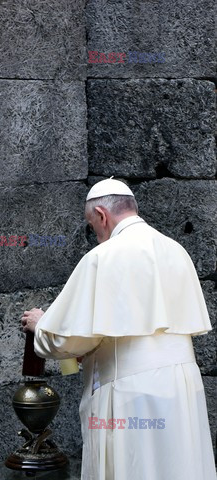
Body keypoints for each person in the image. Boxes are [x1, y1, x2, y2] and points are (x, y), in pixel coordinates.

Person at [21, 178, 216, 480]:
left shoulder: (103, 257)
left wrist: (41, 324)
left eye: (92, 225)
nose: (97, 235)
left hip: (130, 392)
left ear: (101, 215)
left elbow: (66, 340)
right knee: (180, 465)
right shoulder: (175, 250)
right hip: (182, 386)